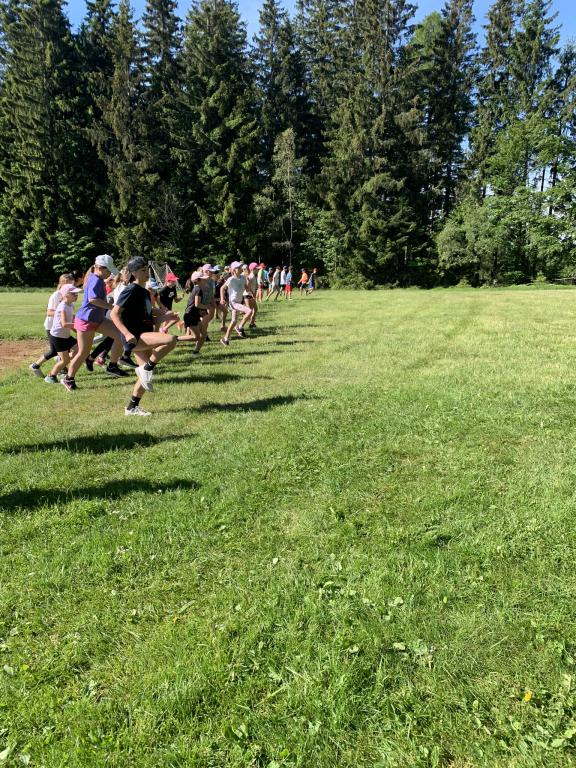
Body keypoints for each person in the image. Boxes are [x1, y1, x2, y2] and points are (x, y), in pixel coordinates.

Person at [110, 256, 179, 416]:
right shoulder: (131, 290)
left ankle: (131, 407)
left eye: (146, 269)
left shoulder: (144, 291)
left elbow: (148, 316)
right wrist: (126, 333)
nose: (146, 273)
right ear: (134, 273)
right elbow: (114, 314)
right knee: (171, 339)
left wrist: (166, 316)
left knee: (145, 377)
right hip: (134, 336)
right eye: (142, 270)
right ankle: (146, 368)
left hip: (143, 332)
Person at [61, 254, 126, 392]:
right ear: (100, 268)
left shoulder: (96, 278)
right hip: (86, 320)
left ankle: (112, 366)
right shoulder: (96, 280)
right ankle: (68, 378)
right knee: (83, 352)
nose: (110, 274)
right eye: (108, 271)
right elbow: (93, 299)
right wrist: (112, 307)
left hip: (97, 319)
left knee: (121, 335)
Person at [29, 273, 75, 377]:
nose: (71, 287)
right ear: (62, 284)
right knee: (56, 350)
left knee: (61, 349)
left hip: (61, 326)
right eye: (68, 284)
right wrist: (61, 314)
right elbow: (49, 312)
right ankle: (37, 366)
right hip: (52, 327)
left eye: (72, 284)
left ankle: (60, 369)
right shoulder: (56, 295)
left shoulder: (69, 296)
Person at [44, 285, 82, 383]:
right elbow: (64, 324)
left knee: (81, 350)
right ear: (66, 295)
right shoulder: (63, 307)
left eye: (77, 293)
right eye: (74, 294)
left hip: (66, 336)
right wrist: (79, 325)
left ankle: (61, 359)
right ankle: (51, 376)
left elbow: (71, 321)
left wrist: (77, 330)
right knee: (65, 361)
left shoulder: (71, 305)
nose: (76, 295)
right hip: (58, 337)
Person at [220, 261, 253, 346]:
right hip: (233, 302)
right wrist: (222, 299)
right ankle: (240, 327)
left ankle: (225, 339)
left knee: (234, 321)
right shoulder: (231, 279)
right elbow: (222, 288)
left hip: (238, 302)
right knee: (249, 311)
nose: (241, 269)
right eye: (238, 268)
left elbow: (247, 290)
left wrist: (248, 281)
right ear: (234, 270)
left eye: (240, 267)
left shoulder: (243, 278)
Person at [244, 262, 258, 329]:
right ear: (253, 269)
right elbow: (247, 286)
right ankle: (241, 326)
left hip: (250, 295)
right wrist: (253, 293)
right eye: (256, 268)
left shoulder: (253, 276)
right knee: (249, 311)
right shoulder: (251, 276)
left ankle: (252, 323)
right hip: (247, 295)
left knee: (254, 309)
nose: (258, 270)